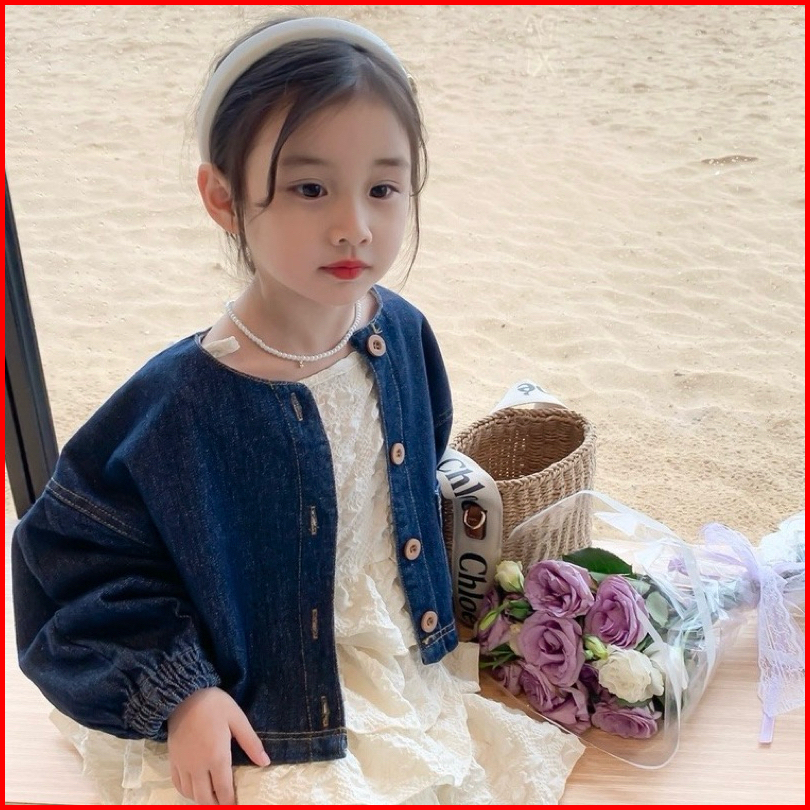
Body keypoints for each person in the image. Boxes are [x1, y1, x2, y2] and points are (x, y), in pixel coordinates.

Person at [12, 15, 583, 805]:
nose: (355, 227)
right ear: (223, 197)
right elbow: (71, 563)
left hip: (395, 667)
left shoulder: (402, 334)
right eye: (310, 188)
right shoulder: (182, 401)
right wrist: (182, 693)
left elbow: (410, 476)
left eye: (383, 188)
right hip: (259, 695)